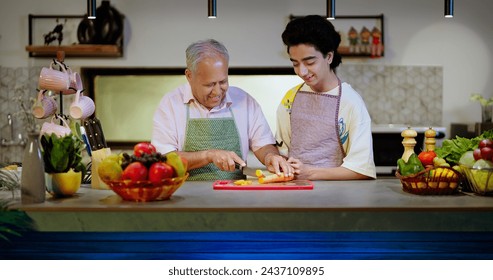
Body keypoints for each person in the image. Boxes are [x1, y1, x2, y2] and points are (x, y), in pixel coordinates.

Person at [151, 39, 293, 180]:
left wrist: (271, 156)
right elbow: (165, 159)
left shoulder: (244, 101)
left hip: (236, 196)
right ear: (189, 76)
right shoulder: (170, 104)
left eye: (223, 82)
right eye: (209, 85)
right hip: (186, 197)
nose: (218, 91)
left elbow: (263, 144)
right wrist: (208, 155)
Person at [276, 15, 376, 180]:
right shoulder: (291, 98)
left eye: (309, 62)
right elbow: (282, 152)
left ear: (329, 57)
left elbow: (361, 169)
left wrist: (310, 172)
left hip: (336, 196)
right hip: (293, 192)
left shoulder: (350, 102)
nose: (302, 72)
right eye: (295, 63)